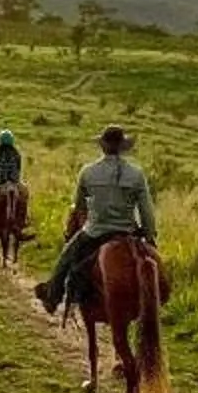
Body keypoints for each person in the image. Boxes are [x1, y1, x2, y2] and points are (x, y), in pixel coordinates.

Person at [36, 124, 156, 314]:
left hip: (95, 231)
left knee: (66, 257)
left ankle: (53, 296)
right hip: (126, 233)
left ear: (102, 146)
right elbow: (147, 212)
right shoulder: (137, 174)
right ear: (122, 147)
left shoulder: (87, 172)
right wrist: (149, 236)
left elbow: (80, 208)